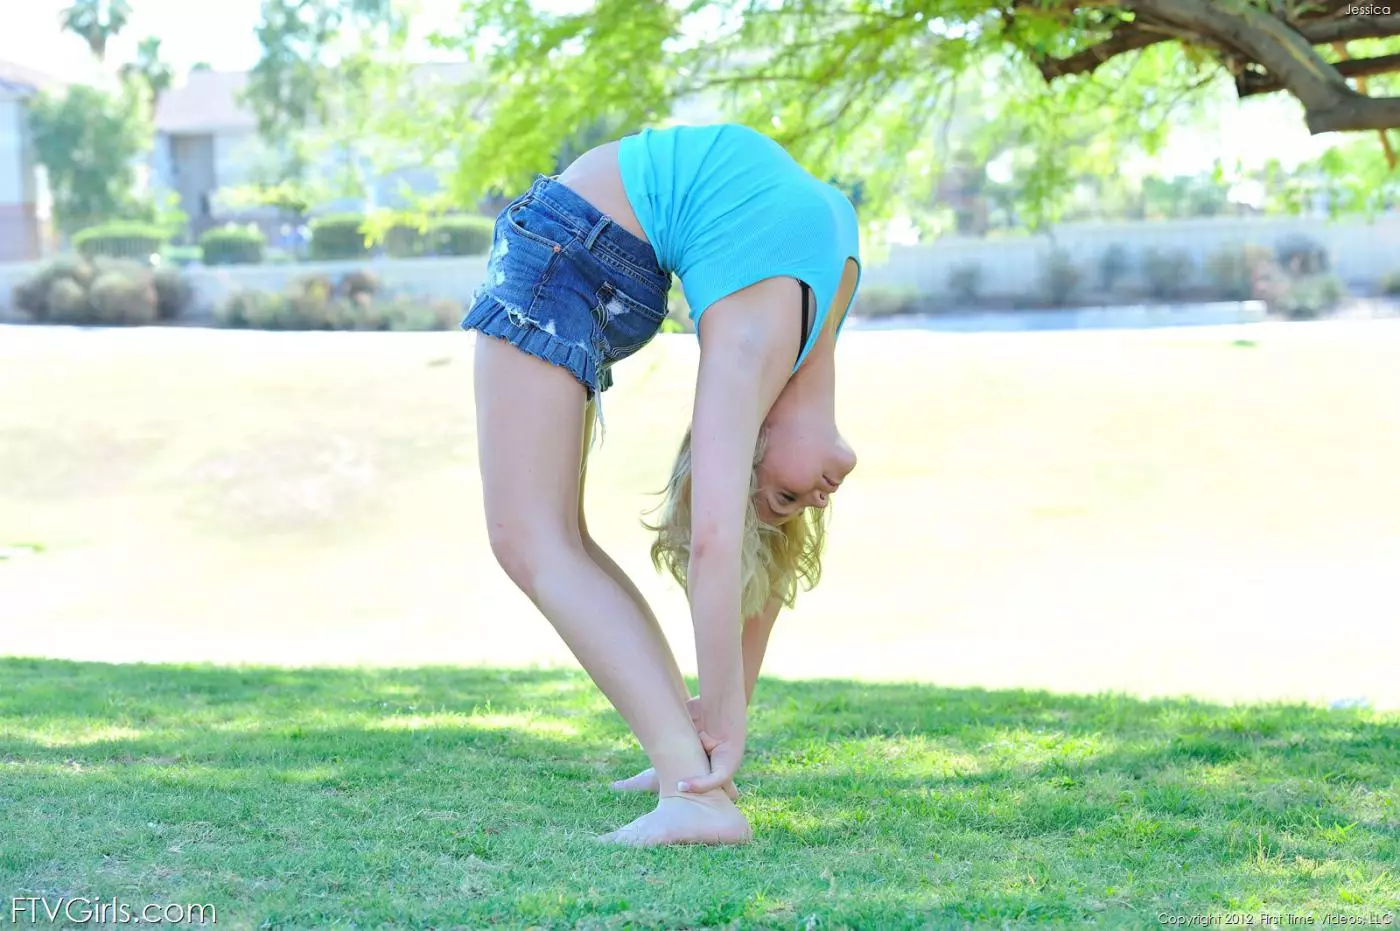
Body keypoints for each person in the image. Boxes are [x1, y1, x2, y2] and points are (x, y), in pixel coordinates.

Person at [463, 122, 862, 846]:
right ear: (755, 433)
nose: (814, 500)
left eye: (788, 501)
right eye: (783, 499)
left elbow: (738, 560)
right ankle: (688, 768)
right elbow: (719, 543)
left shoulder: (787, 315)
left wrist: (724, 723)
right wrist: (722, 722)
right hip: (590, 249)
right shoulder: (798, 311)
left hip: (571, 247)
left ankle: (694, 790)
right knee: (553, 539)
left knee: (530, 538)